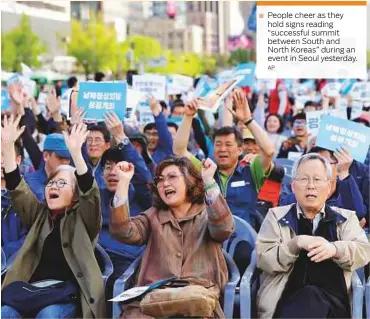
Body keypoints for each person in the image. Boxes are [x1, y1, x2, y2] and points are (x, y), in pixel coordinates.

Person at [1, 116, 105, 318]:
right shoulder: (39, 214)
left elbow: (89, 193)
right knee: (4, 313)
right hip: (32, 291)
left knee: (48, 316)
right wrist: (8, 146)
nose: (54, 187)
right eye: (51, 183)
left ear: (75, 195)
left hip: (66, 295)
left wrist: (76, 152)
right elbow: (17, 189)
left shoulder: (85, 219)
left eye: (62, 183)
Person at [109, 157, 234, 318]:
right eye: (160, 180)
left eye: (172, 177)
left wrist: (209, 181)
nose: (165, 184)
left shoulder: (208, 212)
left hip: (197, 303)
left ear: (190, 181)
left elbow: (224, 229)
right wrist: (123, 183)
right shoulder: (152, 216)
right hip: (155, 302)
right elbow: (122, 232)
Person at [256, 153, 370, 319]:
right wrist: (294, 244)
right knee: (308, 298)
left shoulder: (345, 218)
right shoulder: (276, 216)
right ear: (293, 186)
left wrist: (334, 249)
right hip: (284, 300)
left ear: (329, 187)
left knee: (311, 297)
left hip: (333, 303)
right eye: (303, 179)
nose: (311, 186)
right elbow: (264, 259)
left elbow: (363, 251)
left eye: (317, 180)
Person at [173, 88, 275, 229]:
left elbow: (269, 151)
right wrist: (188, 116)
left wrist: (247, 120)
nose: (222, 149)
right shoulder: (206, 170)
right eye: (218, 144)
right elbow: (179, 151)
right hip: (210, 238)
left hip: (243, 240)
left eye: (228, 144)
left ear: (240, 150)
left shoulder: (251, 170)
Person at [280, 146, 367, 227]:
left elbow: (358, 216)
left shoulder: (345, 190)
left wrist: (344, 172)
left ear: (337, 167)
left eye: (325, 164)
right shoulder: (294, 191)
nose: (318, 169)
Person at [1, 141, 28, 261]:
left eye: (5, 155)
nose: (2, 161)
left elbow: (29, 238)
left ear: (18, 160)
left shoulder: (29, 195)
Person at [24, 133, 71, 201]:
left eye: (68, 158)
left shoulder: (73, 183)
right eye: (60, 157)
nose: (65, 162)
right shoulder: (29, 182)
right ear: (46, 156)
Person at [142, 97, 174, 164]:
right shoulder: (138, 153)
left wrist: (157, 114)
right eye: (147, 134)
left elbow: (163, 131)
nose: (150, 138)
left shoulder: (165, 150)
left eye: (154, 134)